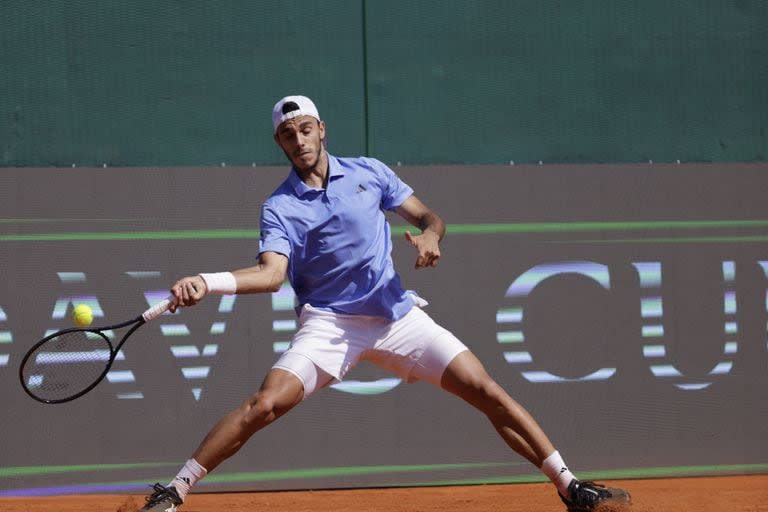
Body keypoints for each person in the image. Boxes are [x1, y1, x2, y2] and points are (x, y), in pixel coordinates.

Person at [139, 95, 631, 512]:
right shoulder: (280, 207)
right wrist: (208, 280)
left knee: (486, 390)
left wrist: (430, 236)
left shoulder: (369, 173)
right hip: (331, 325)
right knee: (263, 405)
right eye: (289, 136)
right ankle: (176, 489)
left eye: (306, 130)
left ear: (322, 130)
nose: (300, 141)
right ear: (280, 144)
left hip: (397, 316)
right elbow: (272, 276)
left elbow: (430, 217)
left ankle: (570, 486)